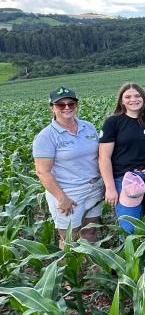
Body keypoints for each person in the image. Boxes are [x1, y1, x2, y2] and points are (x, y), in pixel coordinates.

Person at [33, 87, 103, 248]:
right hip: (69, 192)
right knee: (70, 239)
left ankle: (92, 264)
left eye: (71, 104)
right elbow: (42, 171)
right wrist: (61, 198)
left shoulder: (88, 127)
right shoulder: (46, 136)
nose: (67, 108)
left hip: (94, 188)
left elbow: (99, 157)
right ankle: (70, 265)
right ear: (52, 108)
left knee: (90, 232)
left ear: (76, 105)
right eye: (60, 105)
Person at [99, 83, 145, 233]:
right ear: (122, 101)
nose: (133, 99)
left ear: (144, 98)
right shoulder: (113, 123)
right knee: (128, 228)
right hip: (124, 180)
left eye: (137, 96)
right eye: (128, 97)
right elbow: (104, 157)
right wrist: (110, 188)